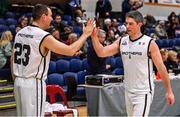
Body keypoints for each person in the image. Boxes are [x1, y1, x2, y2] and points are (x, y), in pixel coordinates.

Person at [11, 4, 94, 116]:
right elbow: (70, 50)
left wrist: (16, 79)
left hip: (18, 82)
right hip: (32, 84)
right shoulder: (43, 36)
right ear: (43, 16)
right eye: (50, 15)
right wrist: (85, 34)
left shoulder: (20, 32)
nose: (52, 18)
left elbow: (12, 59)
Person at [91, 10, 175, 116]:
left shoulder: (149, 43)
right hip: (128, 90)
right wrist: (94, 37)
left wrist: (169, 91)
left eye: (131, 24)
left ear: (139, 24)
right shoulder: (122, 41)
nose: (127, 26)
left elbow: (161, 68)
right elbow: (101, 52)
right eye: (126, 23)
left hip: (143, 92)